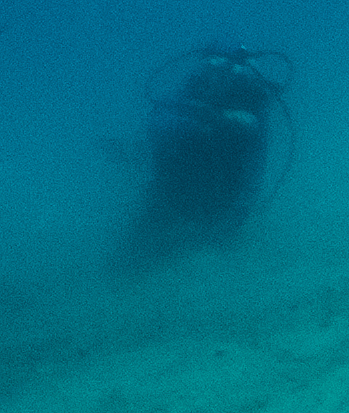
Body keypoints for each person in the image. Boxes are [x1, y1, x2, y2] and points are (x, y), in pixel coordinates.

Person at [122, 42, 294, 265]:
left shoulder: (252, 89)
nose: (213, 70)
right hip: (181, 178)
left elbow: (253, 128)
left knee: (215, 239)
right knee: (136, 253)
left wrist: (214, 116)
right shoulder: (196, 82)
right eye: (209, 63)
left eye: (218, 64)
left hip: (227, 182)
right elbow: (163, 117)